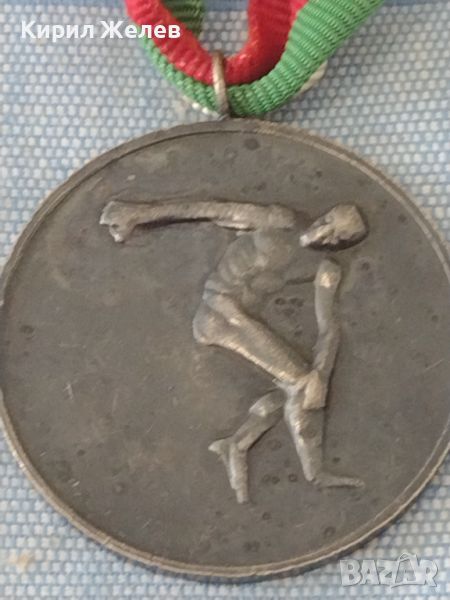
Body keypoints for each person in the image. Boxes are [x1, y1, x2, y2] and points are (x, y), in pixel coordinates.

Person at [101, 198, 367, 503]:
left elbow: (329, 327)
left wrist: (323, 373)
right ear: (325, 213)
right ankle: (315, 475)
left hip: (239, 321)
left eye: (337, 236)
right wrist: (140, 213)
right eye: (329, 221)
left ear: (340, 244)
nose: (324, 233)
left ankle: (238, 445)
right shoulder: (281, 220)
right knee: (301, 384)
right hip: (219, 312)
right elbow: (215, 210)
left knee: (296, 387)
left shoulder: (324, 269)